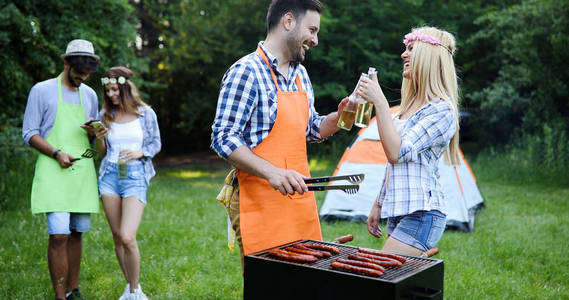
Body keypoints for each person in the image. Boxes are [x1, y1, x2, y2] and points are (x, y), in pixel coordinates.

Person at [211, 0, 349, 264]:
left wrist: (339, 118)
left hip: (298, 200)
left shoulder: (301, 74)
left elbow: (312, 129)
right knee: (268, 286)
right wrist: (273, 173)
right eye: (311, 30)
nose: (315, 40)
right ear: (288, 22)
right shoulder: (246, 71)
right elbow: (223, 137)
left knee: (305, 282)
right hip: (259, 202)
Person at [359, 26, 460, 256]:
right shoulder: (407, 110)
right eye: (405, 49)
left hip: (423, 214)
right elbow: (393, 164)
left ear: (429, 56)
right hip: (400, 210)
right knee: (399, 284)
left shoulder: (441, 111)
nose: (404, 54)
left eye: (411, 49)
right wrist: (378, 203)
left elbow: (397, 152)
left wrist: (380, 103)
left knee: (383, 272)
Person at [22, 39, 100, 300]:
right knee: (58, 235)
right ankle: (59, 295)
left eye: (86, 75)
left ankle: (73, 289)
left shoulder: (89, 95)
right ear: (66, 63)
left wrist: (94, 137)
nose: (81, 79)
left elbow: (92, 146)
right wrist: (56, 154)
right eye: (78, 73)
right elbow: (29, 133)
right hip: (53, 167)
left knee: (77, 233)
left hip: (82, 172)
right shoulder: (41, 90)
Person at [93, 66, 161, 300]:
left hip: (134, 176)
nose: (111, 95)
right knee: (116, 236)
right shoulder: (105, 115)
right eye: (107, 91)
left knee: (127, 236)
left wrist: (139, 153)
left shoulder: (145, 113)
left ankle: (135, 291)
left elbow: (155, 144)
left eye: (114, 90)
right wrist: (100, 140)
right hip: (109, 176)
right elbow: (101, 153)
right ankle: (131, 287)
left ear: (125, 89)